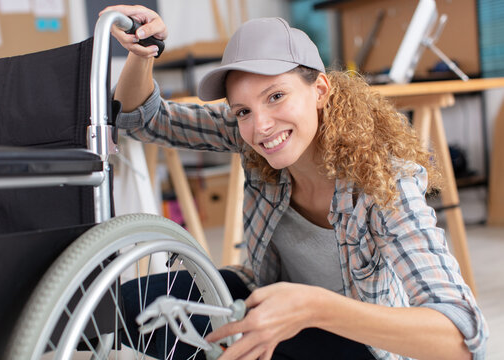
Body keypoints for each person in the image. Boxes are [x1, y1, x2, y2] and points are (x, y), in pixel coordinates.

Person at [100, 4, 488, 360]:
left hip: (357, 343)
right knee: (117, 308)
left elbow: (462, 340)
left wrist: (313, 307)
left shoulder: (383, 182)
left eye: (277, 96)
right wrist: (142, 52)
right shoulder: (252, 136)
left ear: (319, 90)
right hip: (266, 291)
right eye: (243, 110)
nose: (262, 125)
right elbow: (142, 118)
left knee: (213, 340)